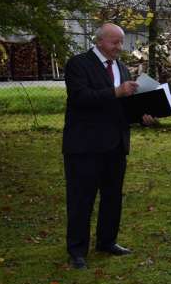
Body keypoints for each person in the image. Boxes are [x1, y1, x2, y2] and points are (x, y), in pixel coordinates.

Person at [62, 23, 158, 269]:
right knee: (81, 199)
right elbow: (80, 98)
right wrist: (116, 91)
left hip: (115, 144)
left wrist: (143, 117)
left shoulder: (122, 68)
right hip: (84, 145)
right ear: (99, 41)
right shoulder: (78, 64)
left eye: (121, 42)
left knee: (112, 196)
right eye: (114, 42)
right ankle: (77, 251)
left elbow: (124, 107)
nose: (119, 47)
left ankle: (107, 241)